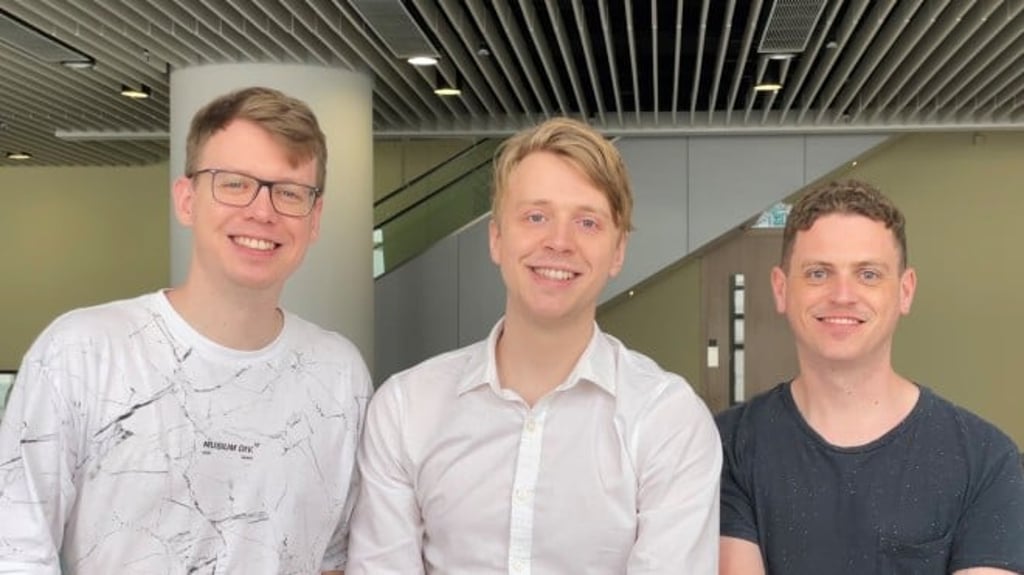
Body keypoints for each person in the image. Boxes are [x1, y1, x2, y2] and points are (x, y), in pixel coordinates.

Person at [0, 87, 372, 574]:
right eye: (234, 184)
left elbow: (334, 561)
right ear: (186, 199)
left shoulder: (339, 374)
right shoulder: (82, 352)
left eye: (289, 192)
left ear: (315, 218)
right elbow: (16, 552)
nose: (263, 211)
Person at [348, 117, 722, 574]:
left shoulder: (669, 419)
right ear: (496, 238)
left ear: (618, 251)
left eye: (587, 222)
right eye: (536, 217)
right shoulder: (406, 409)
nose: (559, 242)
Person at [717, 180, 1024, 574]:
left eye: (868, 274)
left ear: (905, 291)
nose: (842, 295)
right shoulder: (727, 446)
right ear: (781, 289)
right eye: (818, 273)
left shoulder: (985, 459)